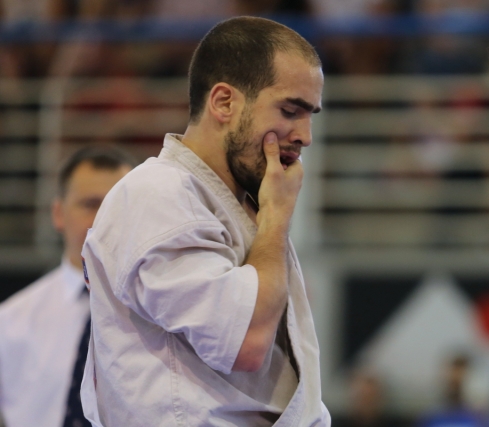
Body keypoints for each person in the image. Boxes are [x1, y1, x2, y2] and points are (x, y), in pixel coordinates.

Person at [79, 16, 329, 426]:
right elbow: (246, 343)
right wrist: (277, 218)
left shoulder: (238, 200)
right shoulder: (158, 194)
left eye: (310, 115)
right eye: (290, 111)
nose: (305, 135)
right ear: (224, 102)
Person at [0, 145, 136, 427]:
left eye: (117, 204)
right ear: (58, 214)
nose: (104, 218)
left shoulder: (165, 314)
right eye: (91, 204)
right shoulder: (10, 323)